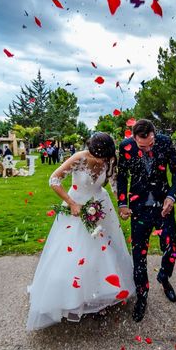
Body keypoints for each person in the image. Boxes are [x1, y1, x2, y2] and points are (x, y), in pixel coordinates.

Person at [26, 133, 134, 330]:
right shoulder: (79, 158)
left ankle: (101, 295)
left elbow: (115, 183)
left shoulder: (110, 159)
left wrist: (122, 206)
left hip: (101, 206)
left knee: (103, 251)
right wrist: (71, 203)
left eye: (104, 156)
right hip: (76, 207)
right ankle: (73, 297)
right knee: (75, 253)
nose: (101, 160)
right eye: (97, 156)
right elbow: (53, 180)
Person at [117, 119, 176, 322]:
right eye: (141, 146)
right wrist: (122, 203)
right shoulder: (125, 146)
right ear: (134, 138)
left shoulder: (165, 142)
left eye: (150, 145)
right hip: (139, 207)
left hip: (163, 205)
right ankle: (142, 295)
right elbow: (122, 176)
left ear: (155, 135)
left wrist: (172, 197)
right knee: (139, 254)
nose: (146, 149)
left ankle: (164, 277)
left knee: (171, 248)